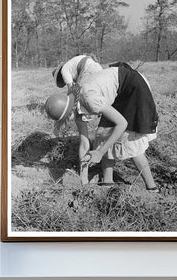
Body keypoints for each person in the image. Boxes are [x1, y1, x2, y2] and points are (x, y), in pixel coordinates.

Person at [46, 62, 159, 191]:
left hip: (133, 87)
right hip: (116, 94)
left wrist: (100, 152)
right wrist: (84, 181)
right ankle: (107, 183)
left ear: (69, 111)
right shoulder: (73, 102)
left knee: (129, 140)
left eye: (66, 118)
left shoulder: (90, 99)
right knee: (102, 135)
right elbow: (84, 144)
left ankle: (152, 188)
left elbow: (122, 124)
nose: (69, 122)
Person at [50, 55, 103, 183]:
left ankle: (84, 177)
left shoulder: (65, 70)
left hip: (88, 71)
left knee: (80, 119)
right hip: (101, 73)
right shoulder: (74, 63)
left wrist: (61, 121)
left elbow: (72, 93)